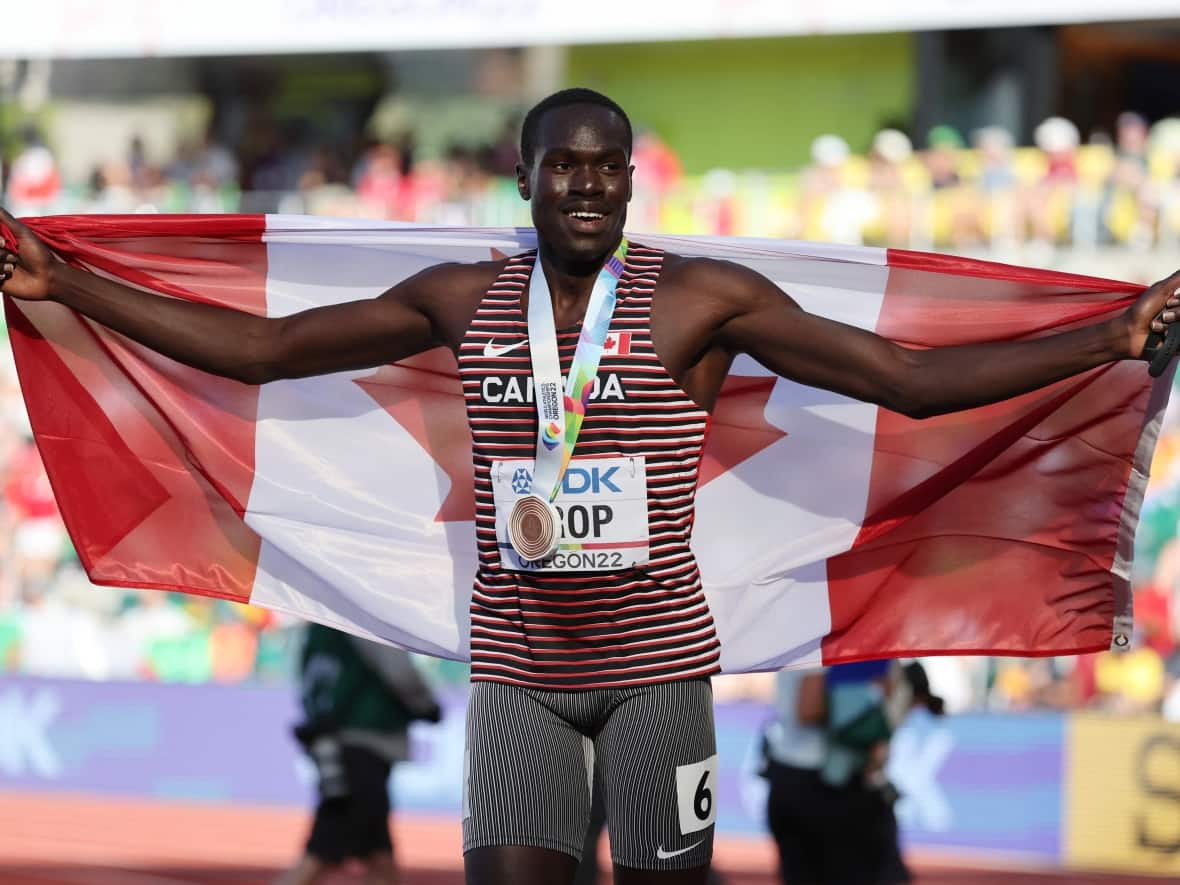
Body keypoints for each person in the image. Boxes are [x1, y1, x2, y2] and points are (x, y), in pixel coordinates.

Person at [2, 86, 1180, 884]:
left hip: (661, 672)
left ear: (630, 185)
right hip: (516, 674)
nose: (586, 188)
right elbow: (259, 352)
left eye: (607, 170)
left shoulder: (701, 300)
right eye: (562, 168)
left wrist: (1113, 338)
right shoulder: (460, 299)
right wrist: (70, 287)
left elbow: (904, 381)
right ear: (523, 181)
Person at [279, 622, 442, 885]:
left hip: (332, 742)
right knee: (320, 855)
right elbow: (398, 669)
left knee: (380, 857)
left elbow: (307, 677)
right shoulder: (363, 615)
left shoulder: (314, 624)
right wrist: (425, 704)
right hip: (366, 741)